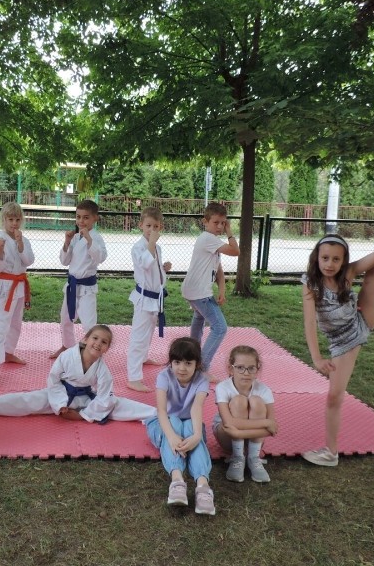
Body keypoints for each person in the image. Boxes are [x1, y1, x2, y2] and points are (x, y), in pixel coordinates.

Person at [301, 182, 374, 467]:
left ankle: (330, 453)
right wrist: (316, 357)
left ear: (343, 261)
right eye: (325, 258)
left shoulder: (348, 274)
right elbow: (309, 322)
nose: (329, 264)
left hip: (357, 326)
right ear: (317, 258)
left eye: (335, 259)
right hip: (338, 338)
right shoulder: (310, 284)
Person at [0, 324, 156, 423]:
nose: (98, 343)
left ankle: (159, 414)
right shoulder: (68, 357)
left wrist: (82, 416)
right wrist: (60, 404)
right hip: (58, 395)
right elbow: (53, 381)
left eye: (104, 342)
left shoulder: (103, 370)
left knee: (117, 403)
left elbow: (104, 397)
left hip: (84, 400)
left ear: (107, 349)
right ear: (85, 339)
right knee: (25, 400)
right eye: (95, 338)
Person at [144, 337, 215, 515]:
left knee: (191, 426)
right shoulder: (164, 376)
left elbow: (196, 409)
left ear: (197, 364)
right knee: (174, 421)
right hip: (164, 424)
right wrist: (172, 437)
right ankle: (177, 481)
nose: (182, 368)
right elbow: (161, 411)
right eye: (177, 362)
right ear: (171, 362)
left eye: (188, 363)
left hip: (190, 423)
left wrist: (197, 436)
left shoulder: (201, 381)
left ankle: (203, 486)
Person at [180, 202, 239, 382]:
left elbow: (219, 270)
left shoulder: (211, 242)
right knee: (220, 328)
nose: (220, 226)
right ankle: (200, 369)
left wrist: (222, 290)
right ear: (205, 222)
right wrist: (230, 232)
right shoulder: (207, 238)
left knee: (199, 321)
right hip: (199, 292)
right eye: (216, 222)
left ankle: (190, 358)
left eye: (223, 223)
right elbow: (235, 251)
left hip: (195, 291)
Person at [0, 202, 34, 387]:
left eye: (17, 219)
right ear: (3, 220)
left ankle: (8, 352)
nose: (14, 223)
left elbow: (28, 260)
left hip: (19, 284)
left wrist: (20, 243)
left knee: (15, 323)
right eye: (10, 219)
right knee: (0, 325)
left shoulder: (24, 239)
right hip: (6, 285)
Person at [51, 200, 107, 359]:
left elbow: (100, 258)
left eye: (86, 217)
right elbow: (64, 261)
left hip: (87, 288)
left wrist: (89, 240)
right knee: (66, 319)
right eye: (78, 217)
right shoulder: (75, 237)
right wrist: (67, 242)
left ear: (95, 218)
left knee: (89, 323)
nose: (81, 221)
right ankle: (67, 346)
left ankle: (94, 350)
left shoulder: (96, 238)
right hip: (72, 286)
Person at [212, 345, 277, 484]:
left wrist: (240, 432)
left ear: (257, 369)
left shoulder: (264, 390)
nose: (246, 373)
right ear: (231, 368)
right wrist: (265, 423)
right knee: (239, 401)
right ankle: (237, 458)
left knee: (256, 401)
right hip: (228, 435)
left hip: (249, 438)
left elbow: (273, 429)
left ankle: (253, 458)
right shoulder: (222, 387)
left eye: (251, 368)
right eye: (240, 367)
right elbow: (229, 423)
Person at [126, 207, 171, 392]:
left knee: (149, 333)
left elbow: (154, 271)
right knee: (138, 337)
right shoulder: (138, 247)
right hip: (144, 299)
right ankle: (133, 377)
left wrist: (164, 269)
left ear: (161, 227)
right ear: (141, 226)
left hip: (155, 299)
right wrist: (151, 244)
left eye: (156, 226)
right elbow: (145, 263)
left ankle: (143, 358)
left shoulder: (157, 247)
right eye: (148, 226)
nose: (152, 229)